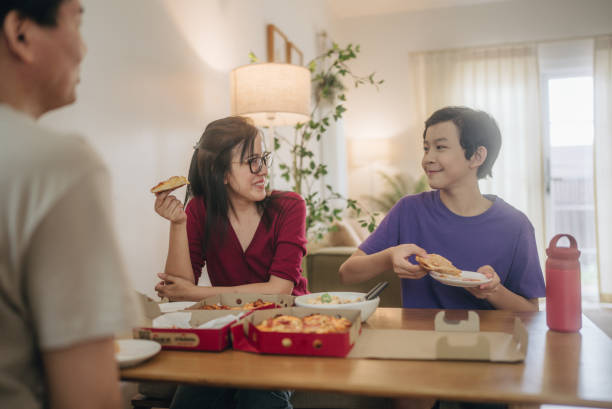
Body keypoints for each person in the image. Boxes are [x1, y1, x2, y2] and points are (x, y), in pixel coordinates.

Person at [0, 1, 141, 409]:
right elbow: (89, 399)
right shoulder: (59, 165)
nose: (83, 49)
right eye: (76, 23)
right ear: (20, 33)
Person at [153, 115, 307, 409]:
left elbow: (279, 292)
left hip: (281, 327)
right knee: (192, 400)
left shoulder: (290, 206)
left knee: (258, 398)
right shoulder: (199, 210)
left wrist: (195, 293)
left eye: (263, 159)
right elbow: (176, 290)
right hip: (225, 328)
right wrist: (177, 224)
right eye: (251, 161)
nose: (262, 170)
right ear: (221, 172)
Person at [339, 106, 545, 312]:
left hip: (487, 341)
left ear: (476, 156)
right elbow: (347, 273)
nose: (427, 158)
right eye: (426, 148)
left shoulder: (515, 225)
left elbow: (530, 312)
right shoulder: (409, 210)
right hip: (419, 339)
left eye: (440, 147)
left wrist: (493, 290)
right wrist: (388, 257)